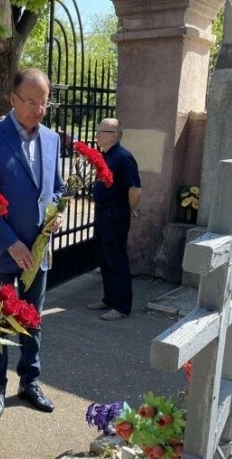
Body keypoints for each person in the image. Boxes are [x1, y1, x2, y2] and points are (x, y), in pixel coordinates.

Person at [0, 67, 65, 421]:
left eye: (45, 102)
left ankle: (30, 381)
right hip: (1, 253)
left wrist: (56, 212)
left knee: (33, 320)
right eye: (32, 102)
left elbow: (58, 187)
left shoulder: (52, 139)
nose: (39, 109)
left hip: (38, 252)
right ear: (12, 99)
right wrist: (10, 243)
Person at [86, 118, 141, 322]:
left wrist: (130, 208)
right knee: (104, 257)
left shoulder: (123, 158)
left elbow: (135, 190)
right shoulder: (107, 156)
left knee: (116, 259)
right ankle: (109, 299)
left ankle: (122, 306)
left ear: (114, 135)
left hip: (115, 213)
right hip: (103, 212)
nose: (97, 135)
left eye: (102, 131)